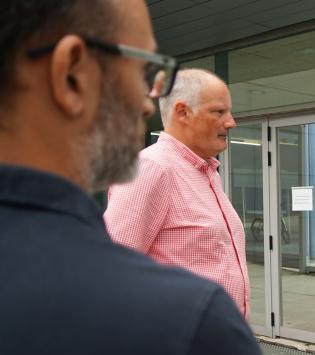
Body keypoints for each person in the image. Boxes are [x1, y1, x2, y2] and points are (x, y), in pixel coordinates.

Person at [0, 1, 314, 355]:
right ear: (72, 74)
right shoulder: (152, 173)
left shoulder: (205, 173)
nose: (150, 100)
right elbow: (107, 274)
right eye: (147, 71)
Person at [104, 67, 249, 317]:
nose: (231, 122)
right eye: (219, 112)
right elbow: (110, 270)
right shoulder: (151, 168)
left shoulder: (207, 172)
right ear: (183, 112)